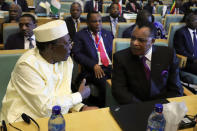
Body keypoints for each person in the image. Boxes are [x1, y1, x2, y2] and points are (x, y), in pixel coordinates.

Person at [0, 20, 97, 123]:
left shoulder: (65, 59)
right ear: (51, 47)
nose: (71, 46)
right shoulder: (27, 66)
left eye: (70, 41)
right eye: (67, 43)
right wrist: (80, 96)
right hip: (23, 120)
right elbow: (45, 109)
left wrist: (80, 107)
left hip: (55, 118)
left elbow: (62, 94)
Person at [112, 22, 183, 105]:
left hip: (163, 106)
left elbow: (176, 89)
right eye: (133, 38)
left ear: (152, 41)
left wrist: (164, 108)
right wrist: (144, 108)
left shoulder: (168, 54)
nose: (135, 43)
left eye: (141, 40)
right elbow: (119, 91)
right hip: (135, 106)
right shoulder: (121, 57)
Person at [72, 11, 113, 107]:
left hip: (110, 66)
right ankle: (103, 108)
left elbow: (113, 52)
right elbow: (76, 54)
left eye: (99, 21)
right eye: (94, 21)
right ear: (87, 23)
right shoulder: (80, 35)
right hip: (92, 69)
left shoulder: (108, 34)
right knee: (104, 83)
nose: (98, 23)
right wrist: (93, 65)